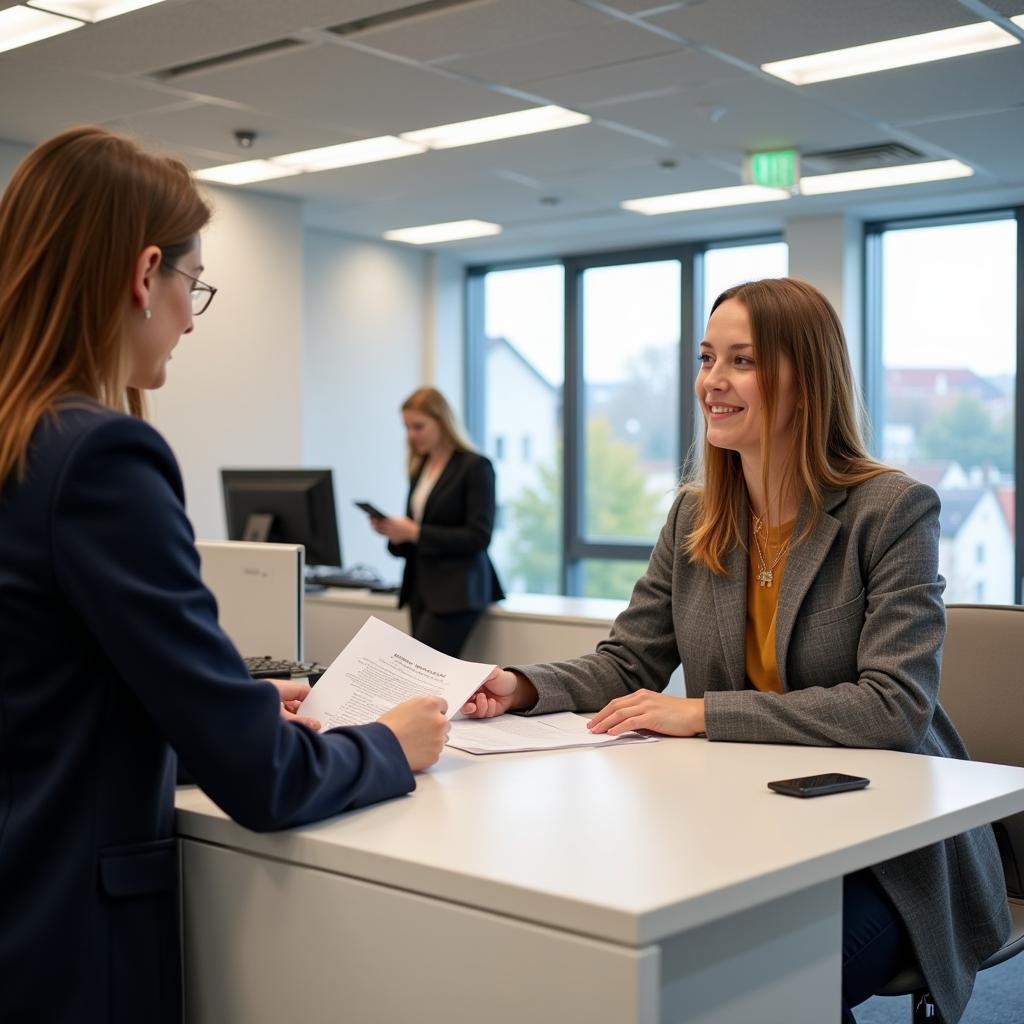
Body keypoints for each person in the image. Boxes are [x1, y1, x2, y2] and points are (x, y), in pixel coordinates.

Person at [461, 277, 1009, 1024]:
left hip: (886, 853)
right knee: (645, 960)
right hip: (747, 828)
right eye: (707, 357)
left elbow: (895, 708)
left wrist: (701, 713)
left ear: (806, 381)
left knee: (743, 986)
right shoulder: (696, 514)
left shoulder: (892, 511)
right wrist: (520, 685)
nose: (711, 383)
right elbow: (627, 663)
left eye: (742, 361)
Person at [0, 126, 450, 1024]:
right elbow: (264, 782)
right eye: (189, 288)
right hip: (69, 946)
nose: (191, 318)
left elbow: (44, 700)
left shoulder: (21, 446)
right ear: (144, 274)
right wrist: (390, 745)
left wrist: (221, 701)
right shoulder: (101, 458)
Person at [371, 387, 504, 657]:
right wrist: (397, 534)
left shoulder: (475, 467)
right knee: (419, 673)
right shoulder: (421, 467)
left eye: (418, 426)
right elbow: (416, 534)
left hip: (456, 592)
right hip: (421, 587)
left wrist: (416, 532)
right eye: (407, 427)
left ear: (442, 422)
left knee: (425, 673)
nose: (411, 435)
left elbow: (478, 537)